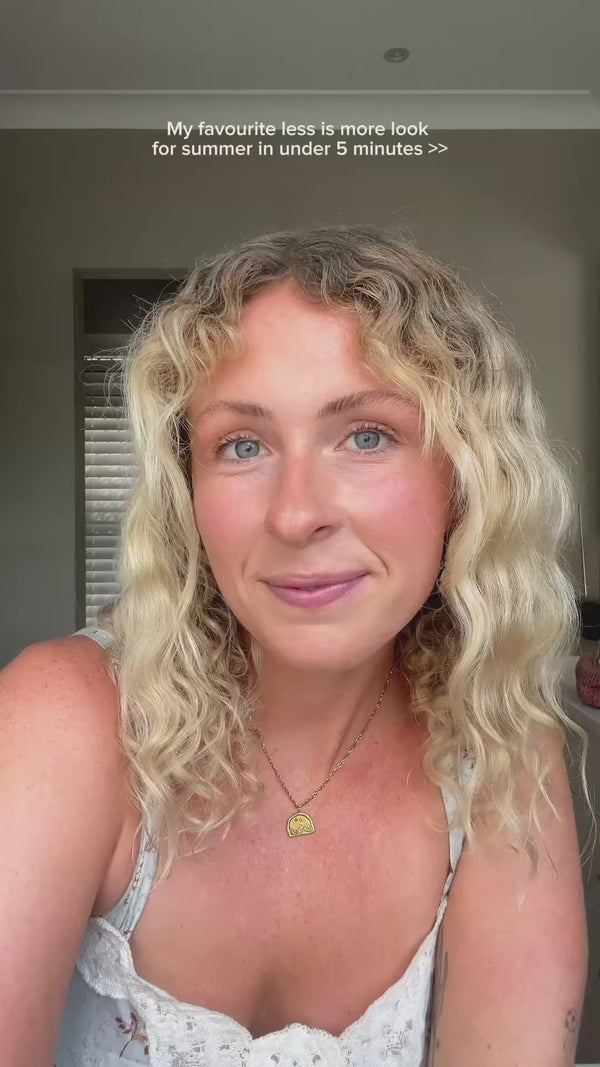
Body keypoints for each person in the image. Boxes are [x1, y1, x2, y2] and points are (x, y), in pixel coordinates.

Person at [1, 225, 595, 1067]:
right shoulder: (65, 719)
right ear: (188, 492)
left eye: (366, 435)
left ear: (466, 478)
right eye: (242, 445)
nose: (295, 513)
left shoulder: (498, 744)